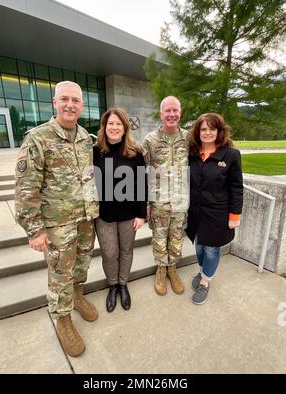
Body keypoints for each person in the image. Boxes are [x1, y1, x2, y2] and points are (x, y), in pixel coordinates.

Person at [15, 81, 99, 357]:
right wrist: (34, 230)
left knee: (82, 263)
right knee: (59, 274)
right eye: (65, 99)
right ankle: (62, 318)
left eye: (76, 100)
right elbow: (26, 188)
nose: (70, 105)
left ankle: (77, 296)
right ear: (54, 102)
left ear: (82, 106)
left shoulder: (86, 137)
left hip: (85, 219)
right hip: (57, 224)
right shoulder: (38, 138)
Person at [186, 112, 243, 305]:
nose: (207, 132)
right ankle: (204, 271)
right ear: (198, 132)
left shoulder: (231, 155)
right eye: (203, 129)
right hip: (196, 213)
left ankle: (205, 281)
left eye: (212, 129)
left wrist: (235, 215)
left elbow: (236, 187)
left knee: (211, 249)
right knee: (199, 245)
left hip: (218, 214)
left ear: (219, 131)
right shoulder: (192, 154)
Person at [94, 107, 147, 313]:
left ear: (125, 128)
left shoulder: (136, 153)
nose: (114, 127)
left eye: (118, 124)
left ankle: (123, 284)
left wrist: (141, 214)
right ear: (105, 127)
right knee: (109, 253)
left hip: (129, 214)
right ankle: (112, 285)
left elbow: (142, 185)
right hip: (103, 215)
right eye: (110, 124)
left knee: (126, 251)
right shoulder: (95, 151)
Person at [142, 96, 189, 296]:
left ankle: (173, 269)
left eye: (175, 110)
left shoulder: (188, 138)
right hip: (158, 200)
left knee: (177, 236)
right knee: (159, 238)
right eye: (167, 111)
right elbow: (141, 171)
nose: (171, 114)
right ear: (161, 114)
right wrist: (144, 202)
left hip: (180, 200)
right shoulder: (150, 140)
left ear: (180, 113)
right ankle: (161, 269)